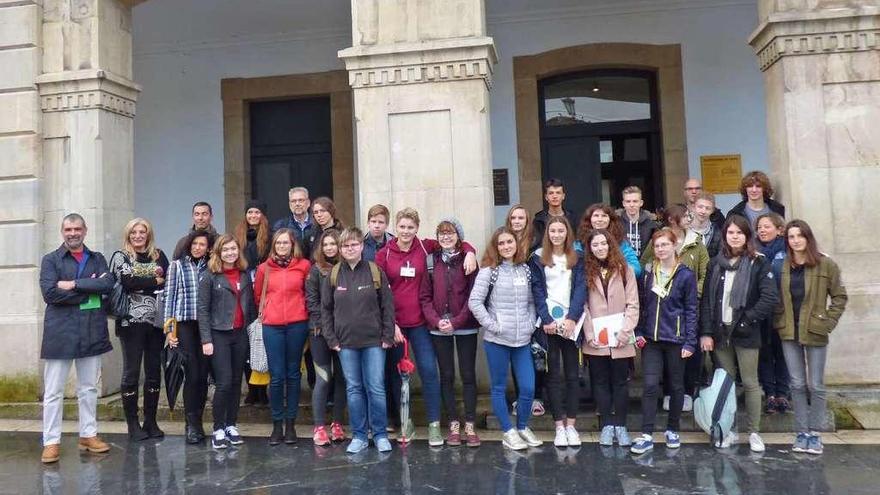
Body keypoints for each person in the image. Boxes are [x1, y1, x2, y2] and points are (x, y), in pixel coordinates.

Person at [376, 207, 477, 446]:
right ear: (396, 228)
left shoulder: (425, 247)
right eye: (402, 227)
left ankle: (433, 424)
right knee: (396, 376)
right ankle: (405, 423)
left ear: (417, 229)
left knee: (430, 372)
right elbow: (380, 293)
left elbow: (453, 241)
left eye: (411, 227)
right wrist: (390, 325)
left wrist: (471, 251)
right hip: (396, 326)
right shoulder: (384, 254)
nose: (406, 231)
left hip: (421, 323)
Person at [39, 214, 114, 464]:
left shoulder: (97, 258)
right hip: (60, 331)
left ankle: (88, 435)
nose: (73, 233)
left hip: (91, 329)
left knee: (89, 388)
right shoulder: (50, 260)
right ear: (62, 232)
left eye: (78, 228)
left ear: (85, 230)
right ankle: (51, 441)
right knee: (53, 392)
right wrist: (86, 291)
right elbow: (50, 293)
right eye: (69, 229)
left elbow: (107, 285)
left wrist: (71, 285)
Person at [699, 216, 779, 453]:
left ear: (747, 236)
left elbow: (769, 298)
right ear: (725, 235)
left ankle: (754, 432)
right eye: (731, 232)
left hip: (746, 333)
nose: (735, 236)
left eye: (740, 233)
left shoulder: (758, 262)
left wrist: (747, 320)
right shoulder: (715, 263)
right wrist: (705, 332)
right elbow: (706, 301)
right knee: (726, 383)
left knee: (751, 383)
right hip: (720, 333)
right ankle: (728, 429)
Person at [773, 220, 847, 455]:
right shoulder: (782, 265)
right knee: (796, 383)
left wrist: (828, 322)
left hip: (814, 329)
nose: (795, 240)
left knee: (815, 384)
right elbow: (774, 295)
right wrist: (778, 318)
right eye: (791, 237)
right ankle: (801, 431)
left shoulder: (825, 264)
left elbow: (839, 297)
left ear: (808, 238)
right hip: (788, 330)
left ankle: (815, 433)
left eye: (800, 236)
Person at [321, 227, 396, 454]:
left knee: (376, 388)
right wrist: (331, 338)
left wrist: (387, 335)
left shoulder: (375, 271)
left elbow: (387, 306)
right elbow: (325, 310)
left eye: (354, 244)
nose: (350, 248)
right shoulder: (334, 274)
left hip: (374, 342)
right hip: (345, 344)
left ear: (362, 246)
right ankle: (360, 435)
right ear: (340, 250)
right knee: (354, 389)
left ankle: (380, 434)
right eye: (345, 245)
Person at [468, 227, 542, 451]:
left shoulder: (525, 270)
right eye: (501, 243)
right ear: (496, 247)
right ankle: (508, 431)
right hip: (497, 341)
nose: (506, 246)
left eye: (510, 242)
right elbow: (475, 302)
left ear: (516, 244)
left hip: (522, 340)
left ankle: (522, 427)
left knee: (528, 387)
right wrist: (493, 325)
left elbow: (531, 302)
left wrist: (531, 324)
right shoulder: (489, 271)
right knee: (499, 387)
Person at [630, 230, 698, 455]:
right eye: (657, 246)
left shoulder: (685, 274)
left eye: (664, 245)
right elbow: (641, 303)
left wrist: (690, 342)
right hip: (651, 339)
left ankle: (672, 429)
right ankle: (647, 433)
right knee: (649, 386)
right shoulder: (649, 272)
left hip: (676, 339)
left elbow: (691, 309)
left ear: (674, 246)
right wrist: (638, 330)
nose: (660, 249)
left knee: (676, 386)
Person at [641, 205, 710, 411]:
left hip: (689, 304)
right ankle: (668, 393)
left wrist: (691, 290)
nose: (690, 218)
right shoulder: (658, 241)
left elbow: (705, 272)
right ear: (672, 219)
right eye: (685, 216)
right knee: (664, 359)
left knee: (688, 352)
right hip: (660, 309)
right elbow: (645, 263)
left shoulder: (697, 242)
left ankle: (688, 391)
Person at [419, 219, 481, 447]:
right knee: (446, 376)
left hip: (465, 326)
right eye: (441, 233)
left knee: (467, 376)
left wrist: (456, 321)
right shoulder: (430, 262)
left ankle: (470, 424)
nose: (446, 237)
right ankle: (454, 423)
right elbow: (424, 297)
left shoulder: (468, 260)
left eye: (451, 233)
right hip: (438, 328)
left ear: (458, 236)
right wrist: (436, 321)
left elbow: (474, 296)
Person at [528, 216, 586, 448]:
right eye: (553, 231)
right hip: (549, 325)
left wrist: (572, 318)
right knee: (553, 376)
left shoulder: (577, 257)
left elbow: (581, 287)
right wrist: (546, 319)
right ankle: (559, 426)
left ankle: (571, 424)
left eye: (561, 230)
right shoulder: (538, 257)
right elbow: (537, 289)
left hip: (571, 325)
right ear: (547, 233)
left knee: (573, 375)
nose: (557, 234)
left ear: (567, 233)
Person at [109, 218, 170, 441]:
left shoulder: (158, 254)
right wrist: (154, 279)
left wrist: (143, 279)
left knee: (154, 372)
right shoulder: (121, 256)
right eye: (133, 232)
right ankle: (133, 424)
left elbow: (167, 280)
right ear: (128, 235)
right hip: (130, 323)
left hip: (156, 322)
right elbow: (127, 282)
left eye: (142, 231)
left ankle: (151, 421)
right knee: (132, 372)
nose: (138, 235)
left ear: (148, 234)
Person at [253, 229, 311, 445]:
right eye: (278, 243)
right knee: (277, 377)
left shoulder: (304, 266)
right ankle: (277, 424)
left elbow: (308, 292)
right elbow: (258, 295)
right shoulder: (263, 269)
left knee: (293, 374)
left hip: (297, 324)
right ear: (273, 245)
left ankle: (291, 425)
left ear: (292, 244)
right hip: (272, 326)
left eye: (286, 243)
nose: (282, 246)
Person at [582, 229, 638, 447]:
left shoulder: (624, 269)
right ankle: (606, 425)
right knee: (600, 382)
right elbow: (584, 305)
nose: (600, 248)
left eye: (603, 244)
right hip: (595, 338)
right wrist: (589, 333)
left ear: (610, 245)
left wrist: (626, 332)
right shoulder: (585, 270)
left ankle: (621, 426)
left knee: (620, 383)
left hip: (621, 338)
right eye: (595, 245)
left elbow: (633, 303)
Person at [198, 234, 255, 450]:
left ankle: (231, 425)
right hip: (218, 334)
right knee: (223, 383)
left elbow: (249, 306)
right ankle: (218, 428)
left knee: (235, 383)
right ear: (218, 252)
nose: (230, 253)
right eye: (226, 250)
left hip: (239, 334)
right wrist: (206, 339)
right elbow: (202, 310)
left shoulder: (243, 275)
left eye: (233, 249)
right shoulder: (210, 276)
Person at [164, 230, 211, 444]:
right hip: (184, 325)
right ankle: (191, 424)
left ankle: (199, 420)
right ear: (188, 245)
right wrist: (169, 331)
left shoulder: (212, 266)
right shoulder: (177, 266)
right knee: (191, 374)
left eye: (202, 244)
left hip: (206, 326)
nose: (198, 247)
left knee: (203, 376)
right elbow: (169, 298)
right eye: (195, 243)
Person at [305, 231, 348, 446]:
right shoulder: (315, 271)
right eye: (326, 244)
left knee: (342, 378)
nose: (330, 248)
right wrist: (326, 327)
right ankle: (319, 426)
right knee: (323, 378)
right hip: (319, 333)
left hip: (344, 333)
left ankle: (337, 423)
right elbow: (312, 304)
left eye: (334, 244)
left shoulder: (346, 268)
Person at [504, 204, 546, 415]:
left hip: (536, 304)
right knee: (517, 353)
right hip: (512, 306)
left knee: (537, 352)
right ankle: (521, 398)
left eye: (521, 217)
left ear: (527, 220)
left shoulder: (537, 244)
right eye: (514, 218)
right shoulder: (503, 242)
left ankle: (537, 397)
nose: (517, 221)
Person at [233, 199, 271, 407]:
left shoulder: (270, 236)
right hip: (244, 290)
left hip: (263, 291)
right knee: (246, 341)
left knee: (260, 342)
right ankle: (250, 388)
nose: (253, 215)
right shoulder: (238, 236)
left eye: (257, 212)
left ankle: (262, 390)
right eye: (250, 212)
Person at [755, 213, 790, 414]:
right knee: (765, 353)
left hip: (783, 310)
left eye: (767, 226)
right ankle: (769, 393)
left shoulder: (787, 249)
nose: (762, 230)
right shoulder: (754, 250)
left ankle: (783, 393)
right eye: (759, 227)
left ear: (779, 229)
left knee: (783, 353)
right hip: (761, 310)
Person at [577, 203, 642, 277]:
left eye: (604, 216)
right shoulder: (579, 243)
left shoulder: (621, 242)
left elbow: (636, 269)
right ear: (589, 219)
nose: (600, 219)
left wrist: (616, 269)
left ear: (610, 220)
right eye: (596, 216)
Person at [273, 187, 319, 260]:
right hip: (291, 267)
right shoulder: (281, 226)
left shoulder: (318, 223)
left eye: (301, 200)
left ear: (308, 203)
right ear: (290, 205)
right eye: (293, 201)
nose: (297, 204)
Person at [533, 178, 578, 248]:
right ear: (546, 197)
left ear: (563, 196)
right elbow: (537, 243)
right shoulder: (539, 220)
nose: (554, 196)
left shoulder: (572, 218)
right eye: (551, 193)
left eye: (558, 193)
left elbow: (576, 241)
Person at [617, 185, 658, 258]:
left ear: (641, 203)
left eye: (635, 201)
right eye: (628, 201)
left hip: (644, 265)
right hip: (622, 265)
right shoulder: (616, 223)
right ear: (623, 203)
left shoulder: (651, 224)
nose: (631, 205)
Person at [690, 192, 725, 258]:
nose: (703, 211)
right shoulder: (684, 229)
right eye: (700, 207)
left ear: (712, 211)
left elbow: (720, 258)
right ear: (693, 207)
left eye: (707, 208)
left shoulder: (717, 233)